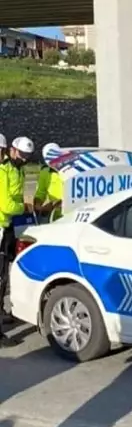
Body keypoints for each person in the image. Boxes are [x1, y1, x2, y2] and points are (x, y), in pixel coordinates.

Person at [0, 136, 35, 346]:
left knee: (5, 275)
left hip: (8, 226)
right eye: (20, 154)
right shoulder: (3, 171)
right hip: (3, 223)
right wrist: (23, 208)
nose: (23, 159)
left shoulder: (17, 170)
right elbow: (6, 205)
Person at [34, 142, 64, 222]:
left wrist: (54, 204)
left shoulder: (68, 170)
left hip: (69, 213)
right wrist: (37, 204)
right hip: (54, 216)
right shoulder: (45, 172)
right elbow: (41, 192)